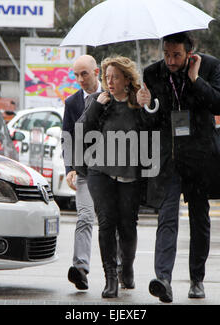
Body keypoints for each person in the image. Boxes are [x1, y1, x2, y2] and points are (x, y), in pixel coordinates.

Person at [137, 32, 220, 303]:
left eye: (176, 55)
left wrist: (195, 79)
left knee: (199, 220)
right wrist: (144, 107)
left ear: (190, 51)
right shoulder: (152, 73)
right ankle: (163, 279)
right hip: (170, 159)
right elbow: (148, 125)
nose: (170, 60)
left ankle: (196, 279)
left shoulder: (209, 66)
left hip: (200, 159)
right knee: (167, 217)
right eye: (166, 54)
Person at [77, 56, 148, 298]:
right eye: (107, 77)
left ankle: (125, 267)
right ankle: (110, 278)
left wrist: (145, 105)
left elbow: (153, 129)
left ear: (127, 79)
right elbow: (82, 129)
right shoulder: (100, 101)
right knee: (106, 223)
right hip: (101, 171)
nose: (110, 81)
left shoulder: (138, 102)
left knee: (127, 225)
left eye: (115, 77)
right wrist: (96, 105)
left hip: (129, 173)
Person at [62, 54, 101, 290]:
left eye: (84, 73)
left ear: (96, 72)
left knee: (111, 222)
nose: (80, 79)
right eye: (76, 75)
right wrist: (70, 169)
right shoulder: (72, 103)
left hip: (109, 170)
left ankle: (118, 268)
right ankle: (80, 269)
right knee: (85, 217)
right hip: (85, 171)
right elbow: (67, 137)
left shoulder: (112, 96)